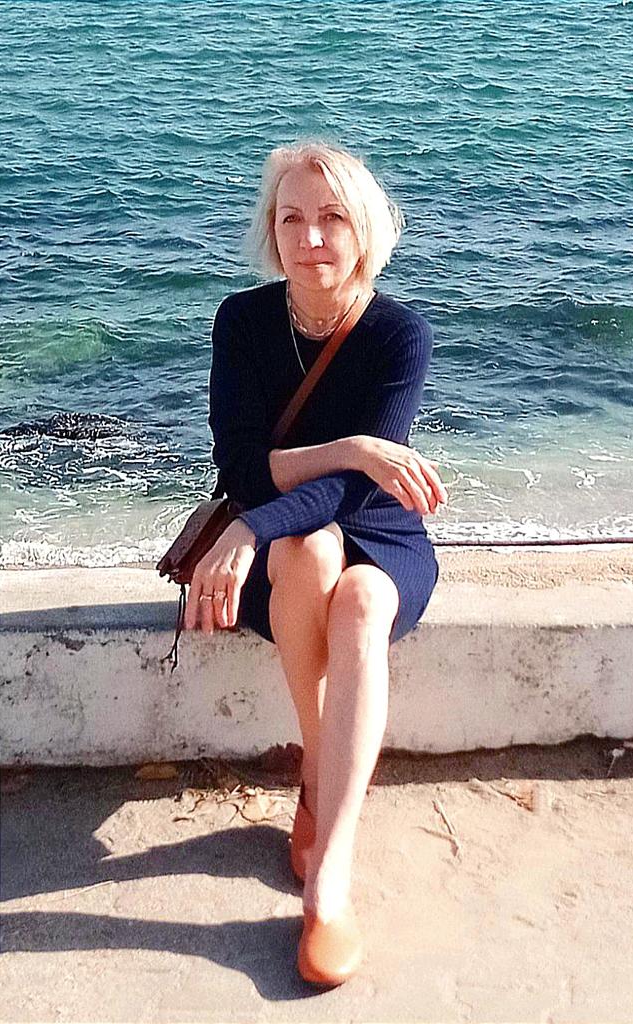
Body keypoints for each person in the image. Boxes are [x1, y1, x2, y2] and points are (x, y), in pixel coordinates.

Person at [184, 141, 448, 987]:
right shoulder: (242, 322)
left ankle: (330, 880)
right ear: (272, 231)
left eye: (332, 218)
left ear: (364, 229)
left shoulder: (399, 335)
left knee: (361, 597)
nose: (311, 238)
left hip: (384, 535)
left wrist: (253, 525)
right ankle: (317, 761)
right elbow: (242, 470)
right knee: (308, 546)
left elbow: (355, 491)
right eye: (291, 218)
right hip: (289, 551)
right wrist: (353, 447)